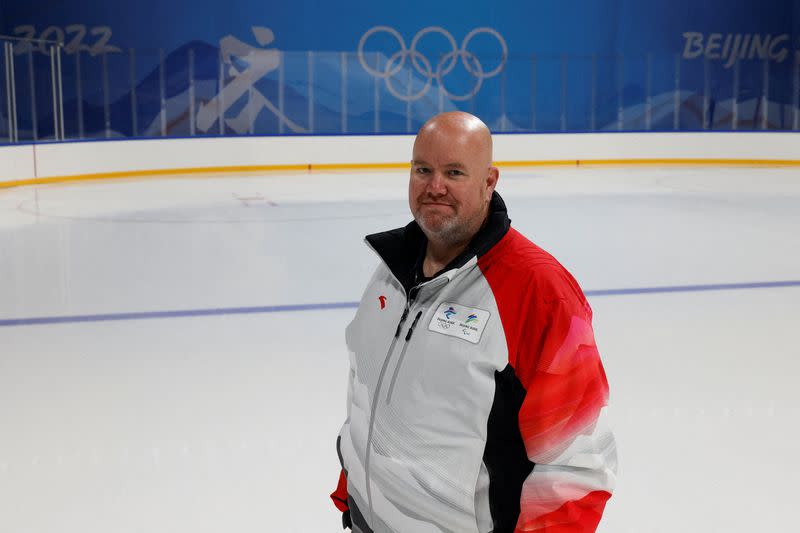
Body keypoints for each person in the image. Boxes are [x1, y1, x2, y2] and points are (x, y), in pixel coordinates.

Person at [330, 111, 617, 532]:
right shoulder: (390, 274)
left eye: (454, 172)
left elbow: (578, 467)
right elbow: (366, 398)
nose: (435, 187)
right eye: (423, 169)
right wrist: (350, 492)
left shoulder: (539, 293)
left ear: (489, 182)